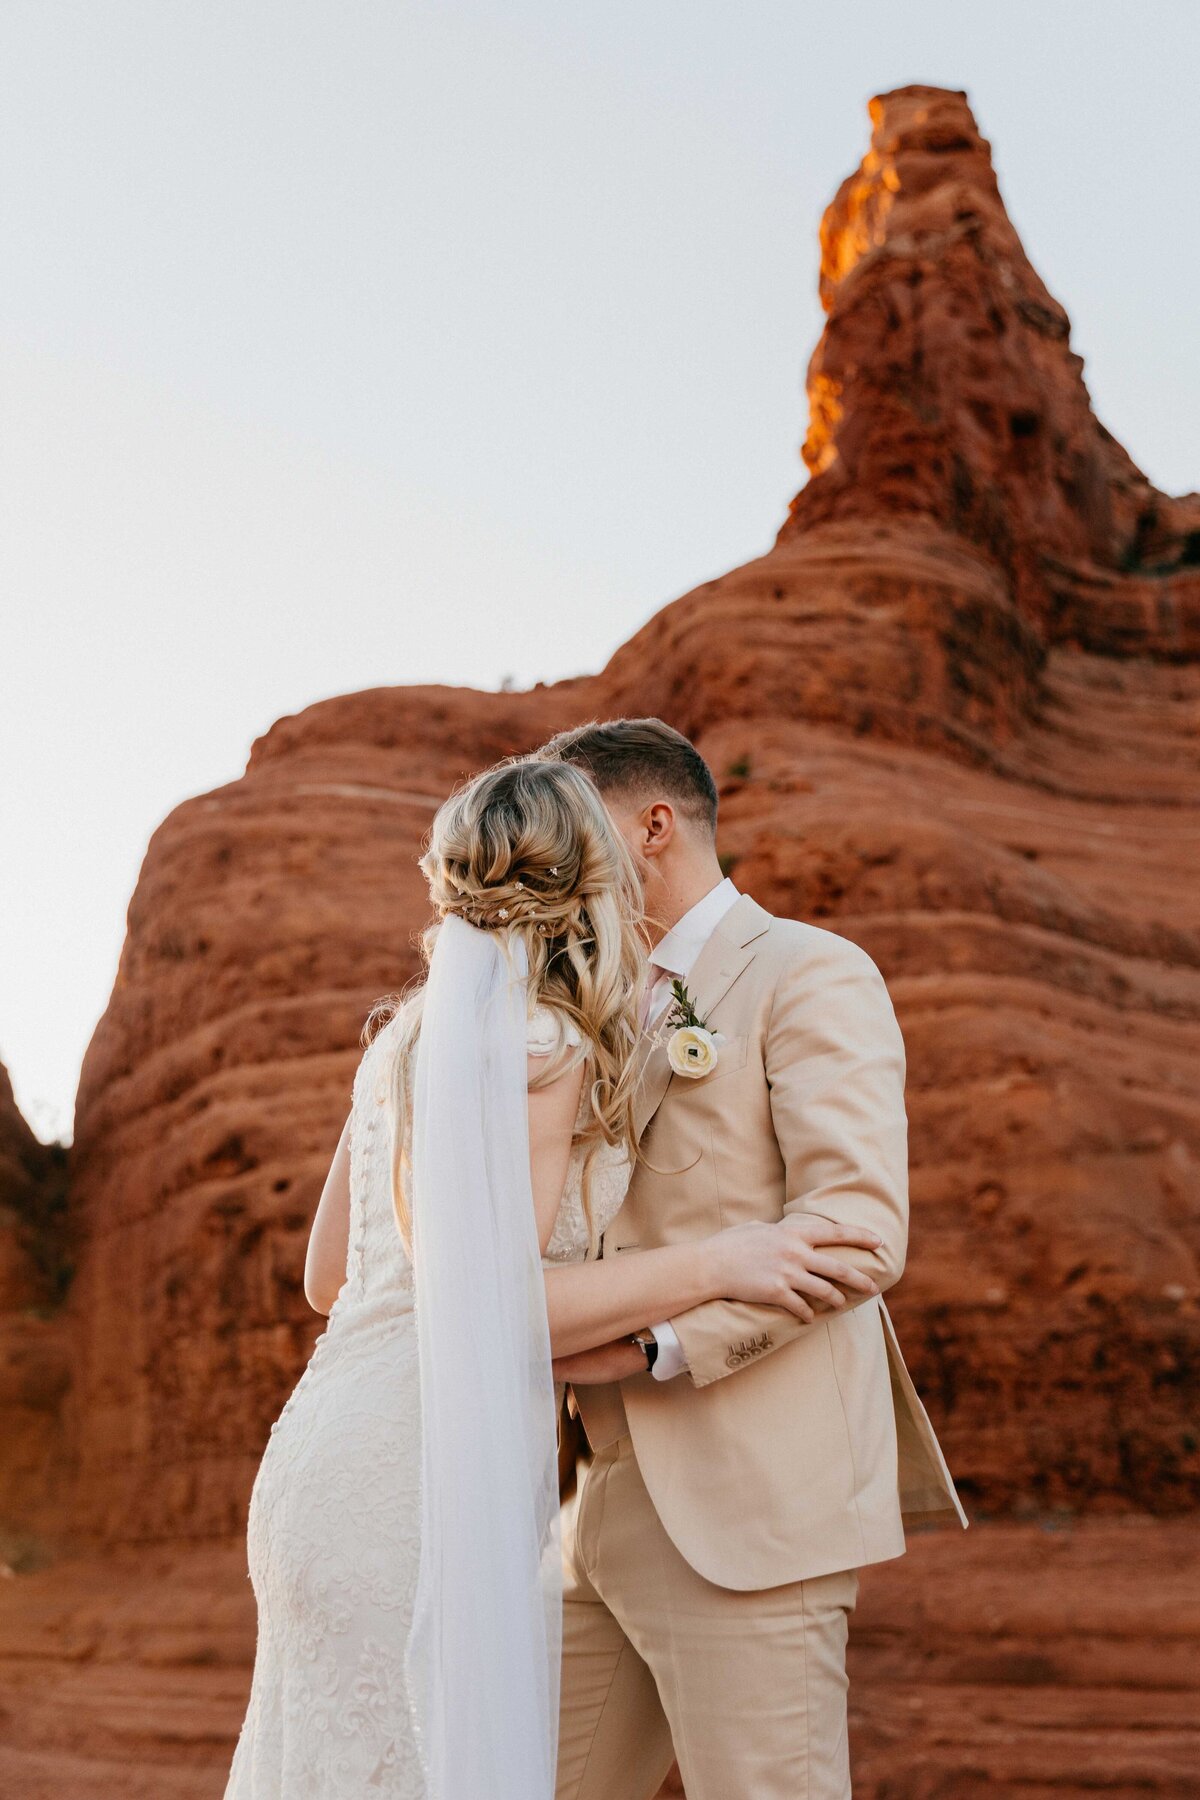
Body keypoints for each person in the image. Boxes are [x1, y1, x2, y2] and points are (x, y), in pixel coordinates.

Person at [223, 755, 883, 1800]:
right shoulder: (544, 1037)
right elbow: (486, 1307)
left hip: (321, 1452)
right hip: (426, 1473)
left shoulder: (405, 1035)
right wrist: (718, 1260)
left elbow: (326, 1278)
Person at [540, 718, 969, 1800]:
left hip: (751, 1504)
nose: (548, 866)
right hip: (588, 1509)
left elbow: (859, 1226)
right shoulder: (581, 1009)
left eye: (567, 833)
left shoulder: (809, 971)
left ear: (651, 826)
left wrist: (654, 1342)